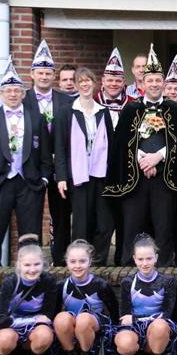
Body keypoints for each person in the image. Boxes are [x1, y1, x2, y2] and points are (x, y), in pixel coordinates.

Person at [104, 45, 177, 266]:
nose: (154, 84)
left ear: (163, 83)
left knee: (164, 226)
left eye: (158, 80)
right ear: (143, 84)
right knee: (133, 225)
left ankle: (164, 267)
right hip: (135, 178)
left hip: (165, 179)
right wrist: (143, 159)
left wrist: (159, 157)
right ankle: (128, 267)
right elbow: (121, 143)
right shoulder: (130, 109)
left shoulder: (175, 110)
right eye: (150, 80)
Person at [0, 58, 52, 266]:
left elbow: (45, 153)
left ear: (23, 94)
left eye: (17, 90)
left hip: (29, 183)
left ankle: (31, 272)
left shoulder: (37, 119)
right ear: (1, 94)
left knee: (30, 236)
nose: (13, 94)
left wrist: (44, 178)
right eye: (8, 91)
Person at [113, 234, 177, 355]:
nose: (145, 263)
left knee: (159, 325)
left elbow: (166, 315)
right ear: (134, 259)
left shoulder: (167, 281)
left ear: (156, 258)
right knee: (124, 342)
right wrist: (134, 321)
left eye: (149, 258)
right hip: (136, 329)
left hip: (160, 329)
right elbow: (124, 318)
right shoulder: (128, 282)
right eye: (140, 259)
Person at [54, 67, 114, 265]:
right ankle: (80, 262)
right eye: (81, 81)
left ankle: (98, 262)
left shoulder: (103, 112)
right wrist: (61, 177)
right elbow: (60, 147)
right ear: (76, 85)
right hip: (77, 175)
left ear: (94, 83)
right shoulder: (66, 112)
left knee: (104, 222)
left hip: (100, 174)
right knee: (81, 223)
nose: (85, 84)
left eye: (88, 80)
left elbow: (111, 144)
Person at [23, 39, 74, 266]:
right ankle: (29, 261)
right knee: (30, 215)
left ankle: (60, 260)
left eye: (48, 73)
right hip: (32, 166)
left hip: (59, 166)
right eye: (40, 73)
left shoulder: (65, 100)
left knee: (60, 215)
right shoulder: (22, 99)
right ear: (32, 74)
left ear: (53, 76)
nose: (44, 77)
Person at [53, 239, 119, 355]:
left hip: (94, 322)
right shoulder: (61, 286)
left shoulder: (100, 284)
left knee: (83, 319)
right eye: (73, 261)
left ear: (90, 262)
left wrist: (113, 338)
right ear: (67, 262)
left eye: (82, 261)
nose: (77, 266)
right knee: (61, 319)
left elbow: (114, 311)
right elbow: (54, 312)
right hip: (74, 321)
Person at [93, 48, 133, 265]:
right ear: (103, 81)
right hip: (100, 171)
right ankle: (99, 261)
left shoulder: (134, 104)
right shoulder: (92, 103)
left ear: (124, 82)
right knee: (102, 219)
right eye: (110, 80)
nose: (114, 84)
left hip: (127, 170)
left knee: (126, 217)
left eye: (118, 80)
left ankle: (123, 262)